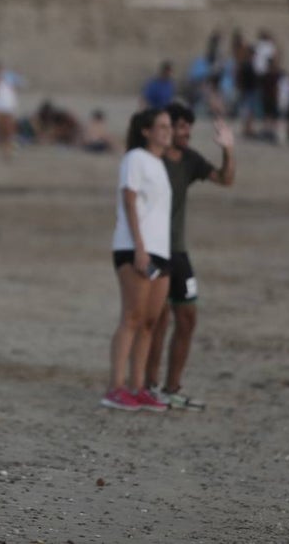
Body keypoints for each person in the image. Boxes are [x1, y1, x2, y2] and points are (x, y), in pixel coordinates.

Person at [144, 103, 234, 411]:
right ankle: (149, 386)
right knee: (158, 320)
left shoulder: (190, 160)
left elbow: (226, 179)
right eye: (181, 127)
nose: (186, 133)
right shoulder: (149, 160)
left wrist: (228, 149)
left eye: (188, 128)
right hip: (154, 250)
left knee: (187, 317)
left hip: (178, 251)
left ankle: (172, 387)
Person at [101, 108, 173, 413]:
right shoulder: (135, 159)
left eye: (169, 126)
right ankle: (116, 387)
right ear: (146, 130)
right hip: (134, 247)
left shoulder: (160, 164)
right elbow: (129, 201)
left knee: (149, 321)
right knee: (131, 316)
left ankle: (138, 386)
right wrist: (139, 248)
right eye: (162, 126)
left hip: (161, 250)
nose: (168, 131)